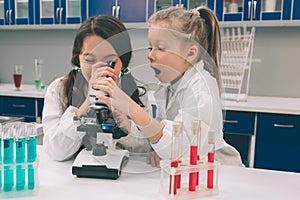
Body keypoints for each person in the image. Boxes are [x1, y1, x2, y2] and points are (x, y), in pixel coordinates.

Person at [95, 6, 243, 167]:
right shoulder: (166, 87)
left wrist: (131, 108)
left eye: (160, 48)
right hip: (186, 175)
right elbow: (158, 136)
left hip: (219, 174)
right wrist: (127, 125)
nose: (150, 55)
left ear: (190, 53)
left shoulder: (202, 89)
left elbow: (181, 149)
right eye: (151, 48)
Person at [42, 15, 152, 161]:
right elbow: (56, 152)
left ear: (123, 63)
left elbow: (146, 150)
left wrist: (127, 129)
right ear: (78, 59)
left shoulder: (138, 94)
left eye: (109, 61)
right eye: (90, 60)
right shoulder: (58, 89)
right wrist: (86, 103)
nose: (98, 68)